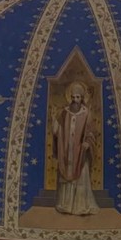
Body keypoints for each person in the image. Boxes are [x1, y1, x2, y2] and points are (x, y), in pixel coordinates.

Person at [52, 81, 100, 216]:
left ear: (82, 97)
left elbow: (91, 132)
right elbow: (58, 131)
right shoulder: (65, 113)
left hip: (80, 153)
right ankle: (65, 205)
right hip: (67, 151)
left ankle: (80, 206)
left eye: (78, 97)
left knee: (81, 177)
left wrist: (87, 143)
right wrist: (54, 122)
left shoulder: (86, 113)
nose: (75, 100)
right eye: (73, 97)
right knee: (65, 177)